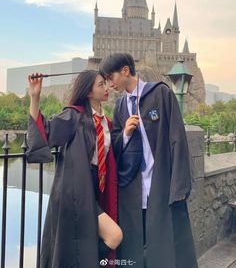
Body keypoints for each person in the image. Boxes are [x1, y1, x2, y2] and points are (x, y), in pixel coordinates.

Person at [99, 53, 198, 268]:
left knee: (165, 247)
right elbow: (114, 146)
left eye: (110, 77)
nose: (109, 84)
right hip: (132, 191)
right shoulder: (121, 107)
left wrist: (179, 188)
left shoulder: (161, 94)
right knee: (134, 249)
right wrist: (125, 133)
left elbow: (178, 140)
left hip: (160, 186)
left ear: (125, 70)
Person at [26, 70, 122, 268]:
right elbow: (46, 131)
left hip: (95, 190)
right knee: (114, 236)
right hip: (76, 192)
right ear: (88, 91)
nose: (106, 88)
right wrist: (35, 97)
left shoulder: (106, 122)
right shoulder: (74, 116)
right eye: (100, 85)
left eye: (105, 83)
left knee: (78, 243)